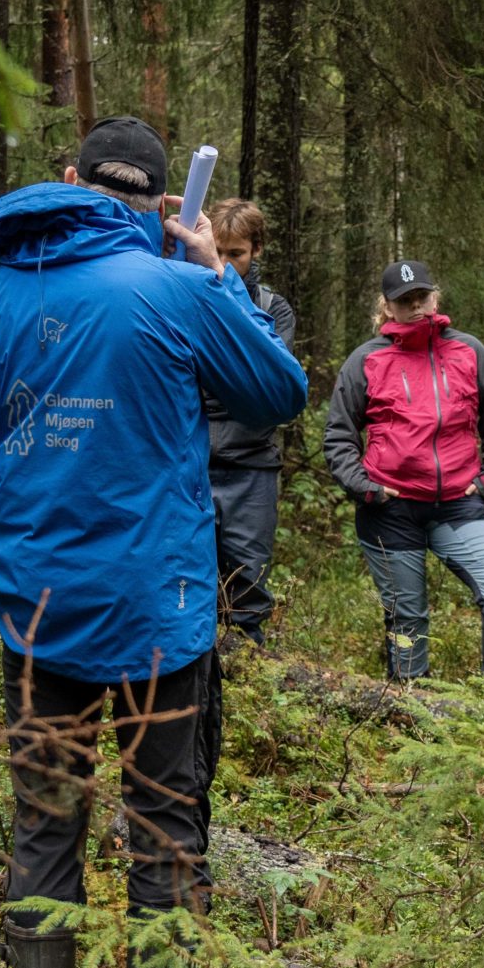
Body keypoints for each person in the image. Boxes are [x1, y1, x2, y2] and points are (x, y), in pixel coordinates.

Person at [0, 115, 308, 968]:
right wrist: (217, 272)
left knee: (47, 819)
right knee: (166, 825)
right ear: (164, 202)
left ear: (71, 176)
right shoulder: (177, 287)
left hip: (37, 612)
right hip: (159, 614)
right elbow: (277, 392)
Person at [321, 260, 484, 680]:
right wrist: (366, 487)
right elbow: (339, 436)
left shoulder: (470, 352)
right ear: (388, 306)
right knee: (408, 617)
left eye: (422, 298)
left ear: (436, 297)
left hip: (458, 505)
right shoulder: (366, 360)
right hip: (389, 509)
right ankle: (412, 713)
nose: (416, 307)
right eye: (404, 301)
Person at [203, 198, 297, 644]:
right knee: (189, 579)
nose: (223, 263)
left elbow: (270, 389)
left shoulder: (273, 309)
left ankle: (248, 685)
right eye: (216, 251)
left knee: (248, 583)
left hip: (251, 465)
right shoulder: (189, 294)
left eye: (235, 253)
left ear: (256, 250)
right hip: (191, 463)